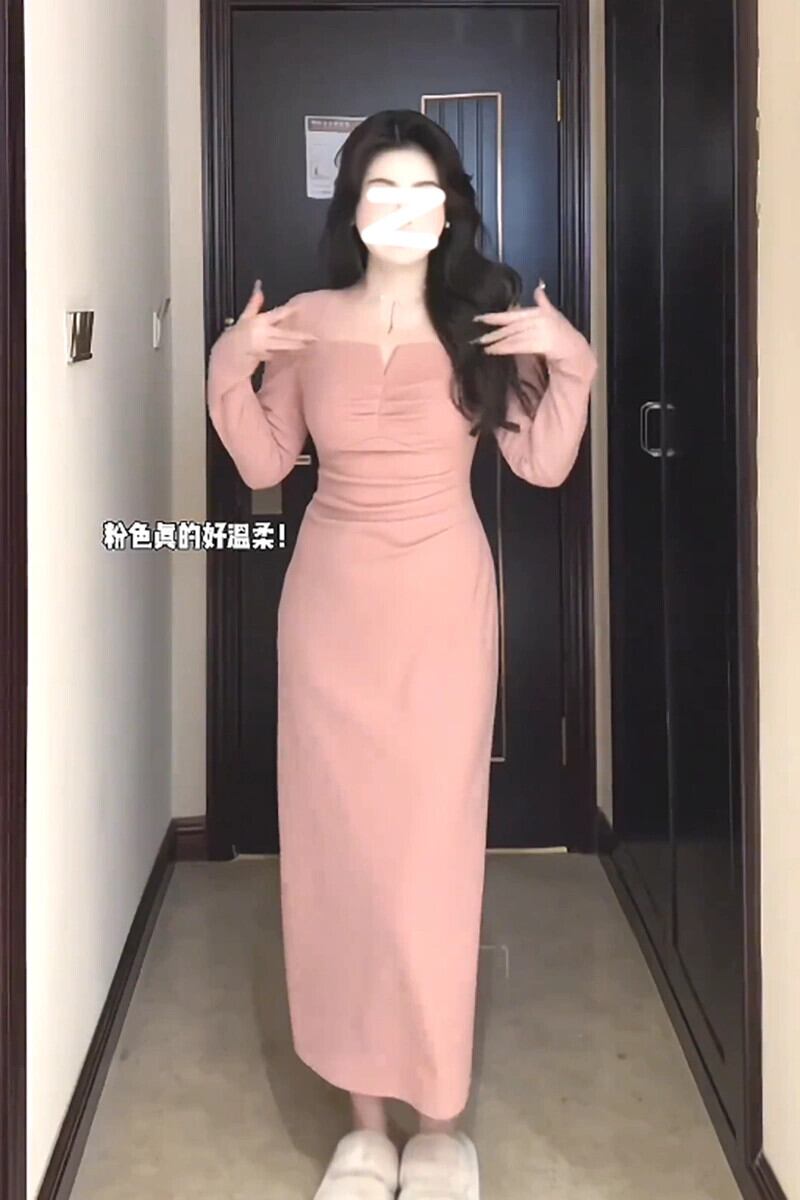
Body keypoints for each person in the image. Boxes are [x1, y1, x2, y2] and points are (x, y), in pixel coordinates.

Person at [206, 109, 598, 1200]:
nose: (403, 209)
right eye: (381, 188)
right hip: (328, 608)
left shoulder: (483, 320)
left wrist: (573, 360)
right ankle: (364, 1124)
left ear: (448, 211)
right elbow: (265, 463)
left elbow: (541, 464)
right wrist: (228, 366)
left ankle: (438, 1124)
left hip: (440, 610)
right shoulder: (301, 322)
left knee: (428, 862)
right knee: (336, 857)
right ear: (352, 208)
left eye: (424, 191)